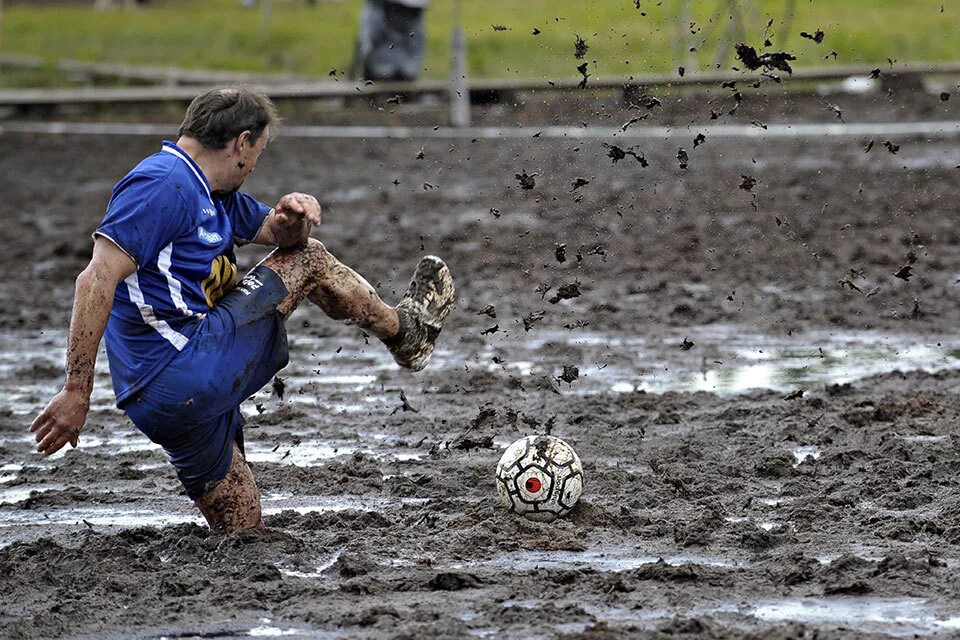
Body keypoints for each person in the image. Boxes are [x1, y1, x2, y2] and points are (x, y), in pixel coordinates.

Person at [28, 86, 455, 533]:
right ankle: (406, 334)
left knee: (242, 530)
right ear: (241, 143)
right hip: (186, 365)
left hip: (163, 399)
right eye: (260, 151)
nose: (255, 164)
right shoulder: (163, 185)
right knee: (311, 261)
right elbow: (94, 279)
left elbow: (278, 235)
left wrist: (294, 218)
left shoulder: (210, 189)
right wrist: (77, 390)